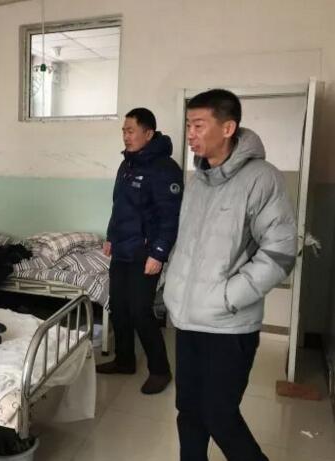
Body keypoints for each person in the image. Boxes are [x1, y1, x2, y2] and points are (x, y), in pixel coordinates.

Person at [163, 89, 297, 460]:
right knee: (189, 412)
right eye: (188, 125)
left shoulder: (262, 179)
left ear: (228, 128)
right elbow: (187, 244)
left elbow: (280, 253)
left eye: (198, 125)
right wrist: (172, 287)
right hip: (188, 320)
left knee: (219, 416)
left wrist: (226, 297)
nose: (190, 134)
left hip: (228, 326)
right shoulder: (197, 180)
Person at [97, 108, 183, 395]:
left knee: (140, 311)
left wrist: (158, 254)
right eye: (124, 130)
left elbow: (170, 217)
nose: (125, 136)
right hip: (122, 248)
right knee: (119, 307)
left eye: (130, 130)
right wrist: (111, 236)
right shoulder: (127, 164)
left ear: (148, 133)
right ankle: (124, 360)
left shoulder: (165, 168)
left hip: (145, 253)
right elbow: (118, 206)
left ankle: (160, 370)